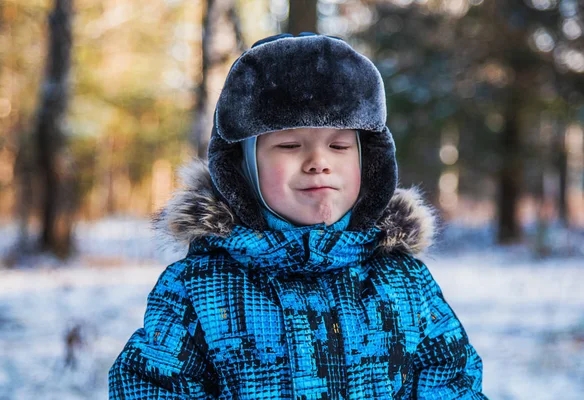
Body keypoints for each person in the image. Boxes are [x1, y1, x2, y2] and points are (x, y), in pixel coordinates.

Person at [109, 32, 488, 399]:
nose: (318, 162)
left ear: (369, 161)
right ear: (243, 169)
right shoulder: (198, 289)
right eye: (290, 145)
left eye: (339, 145)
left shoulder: (404, 282)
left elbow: (450, 380)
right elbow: (153, 386)